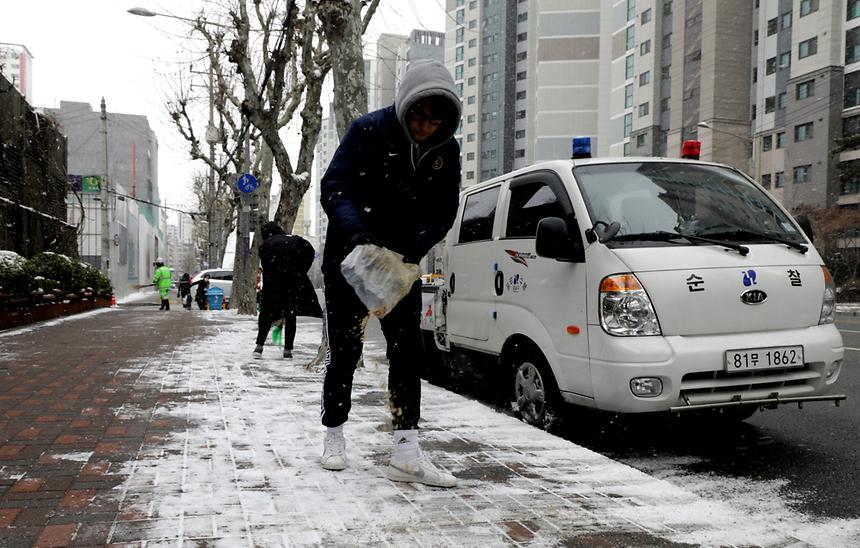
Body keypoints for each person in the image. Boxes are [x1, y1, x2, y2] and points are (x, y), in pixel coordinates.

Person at [318, 59, 462, 487]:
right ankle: (334, 435)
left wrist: (412, 250)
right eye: (418, 115)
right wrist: (360, 234)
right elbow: (335, 186)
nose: (424, 126)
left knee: (406, 352)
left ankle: (406, 452)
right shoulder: (368, 130)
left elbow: (444, 210)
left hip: (400, 265)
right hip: (351, 258)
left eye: (435, 120)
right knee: (346, 350)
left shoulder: (446, 150)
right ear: (405, 105)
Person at [253, 221, 322, 359]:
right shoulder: (295, 240)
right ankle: (288, 350)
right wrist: (300, 270)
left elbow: (266, 266)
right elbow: (310, 251)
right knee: (290, 315)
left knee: (266, 315)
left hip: (272, 286)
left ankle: (259, 347)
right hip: (292, 284)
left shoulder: (266, 245)